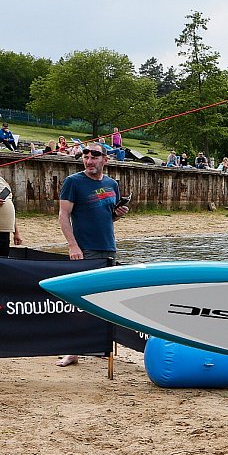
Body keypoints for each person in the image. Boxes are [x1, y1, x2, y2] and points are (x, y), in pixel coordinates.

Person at [56, 146, 130, 366]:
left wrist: (118, 214)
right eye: (85, 157)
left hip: (108, 247)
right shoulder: (73, 182)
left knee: (106, 298)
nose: (89, 161)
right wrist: (72, 245)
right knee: (80, 300)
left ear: (104, 160)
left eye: (94, 157)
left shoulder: (111, 184)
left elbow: (108, 217)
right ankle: (73, 350)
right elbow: (63, 215)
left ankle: (102, 346)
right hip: (85, 249)